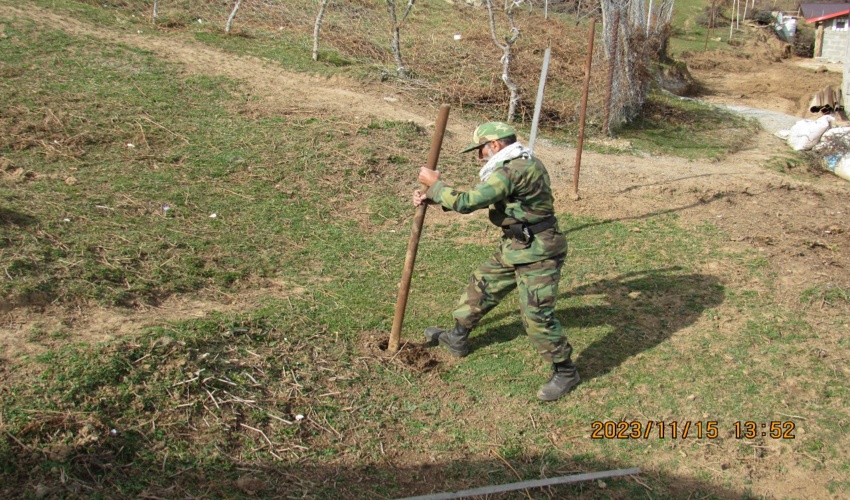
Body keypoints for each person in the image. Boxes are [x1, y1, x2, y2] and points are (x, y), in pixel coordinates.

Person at [412, 121, 580, 401]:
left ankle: (565, 371)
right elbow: (489, 199)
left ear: (495, 144)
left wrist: (436, 185)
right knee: (482, 284)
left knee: (537, 314)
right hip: (517, 244)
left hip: (539, 251)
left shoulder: (515, 169)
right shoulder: (517, 163)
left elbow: (469, 202)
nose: (480, 156)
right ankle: (457, 337)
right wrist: (435, 196)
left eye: (481, 149)